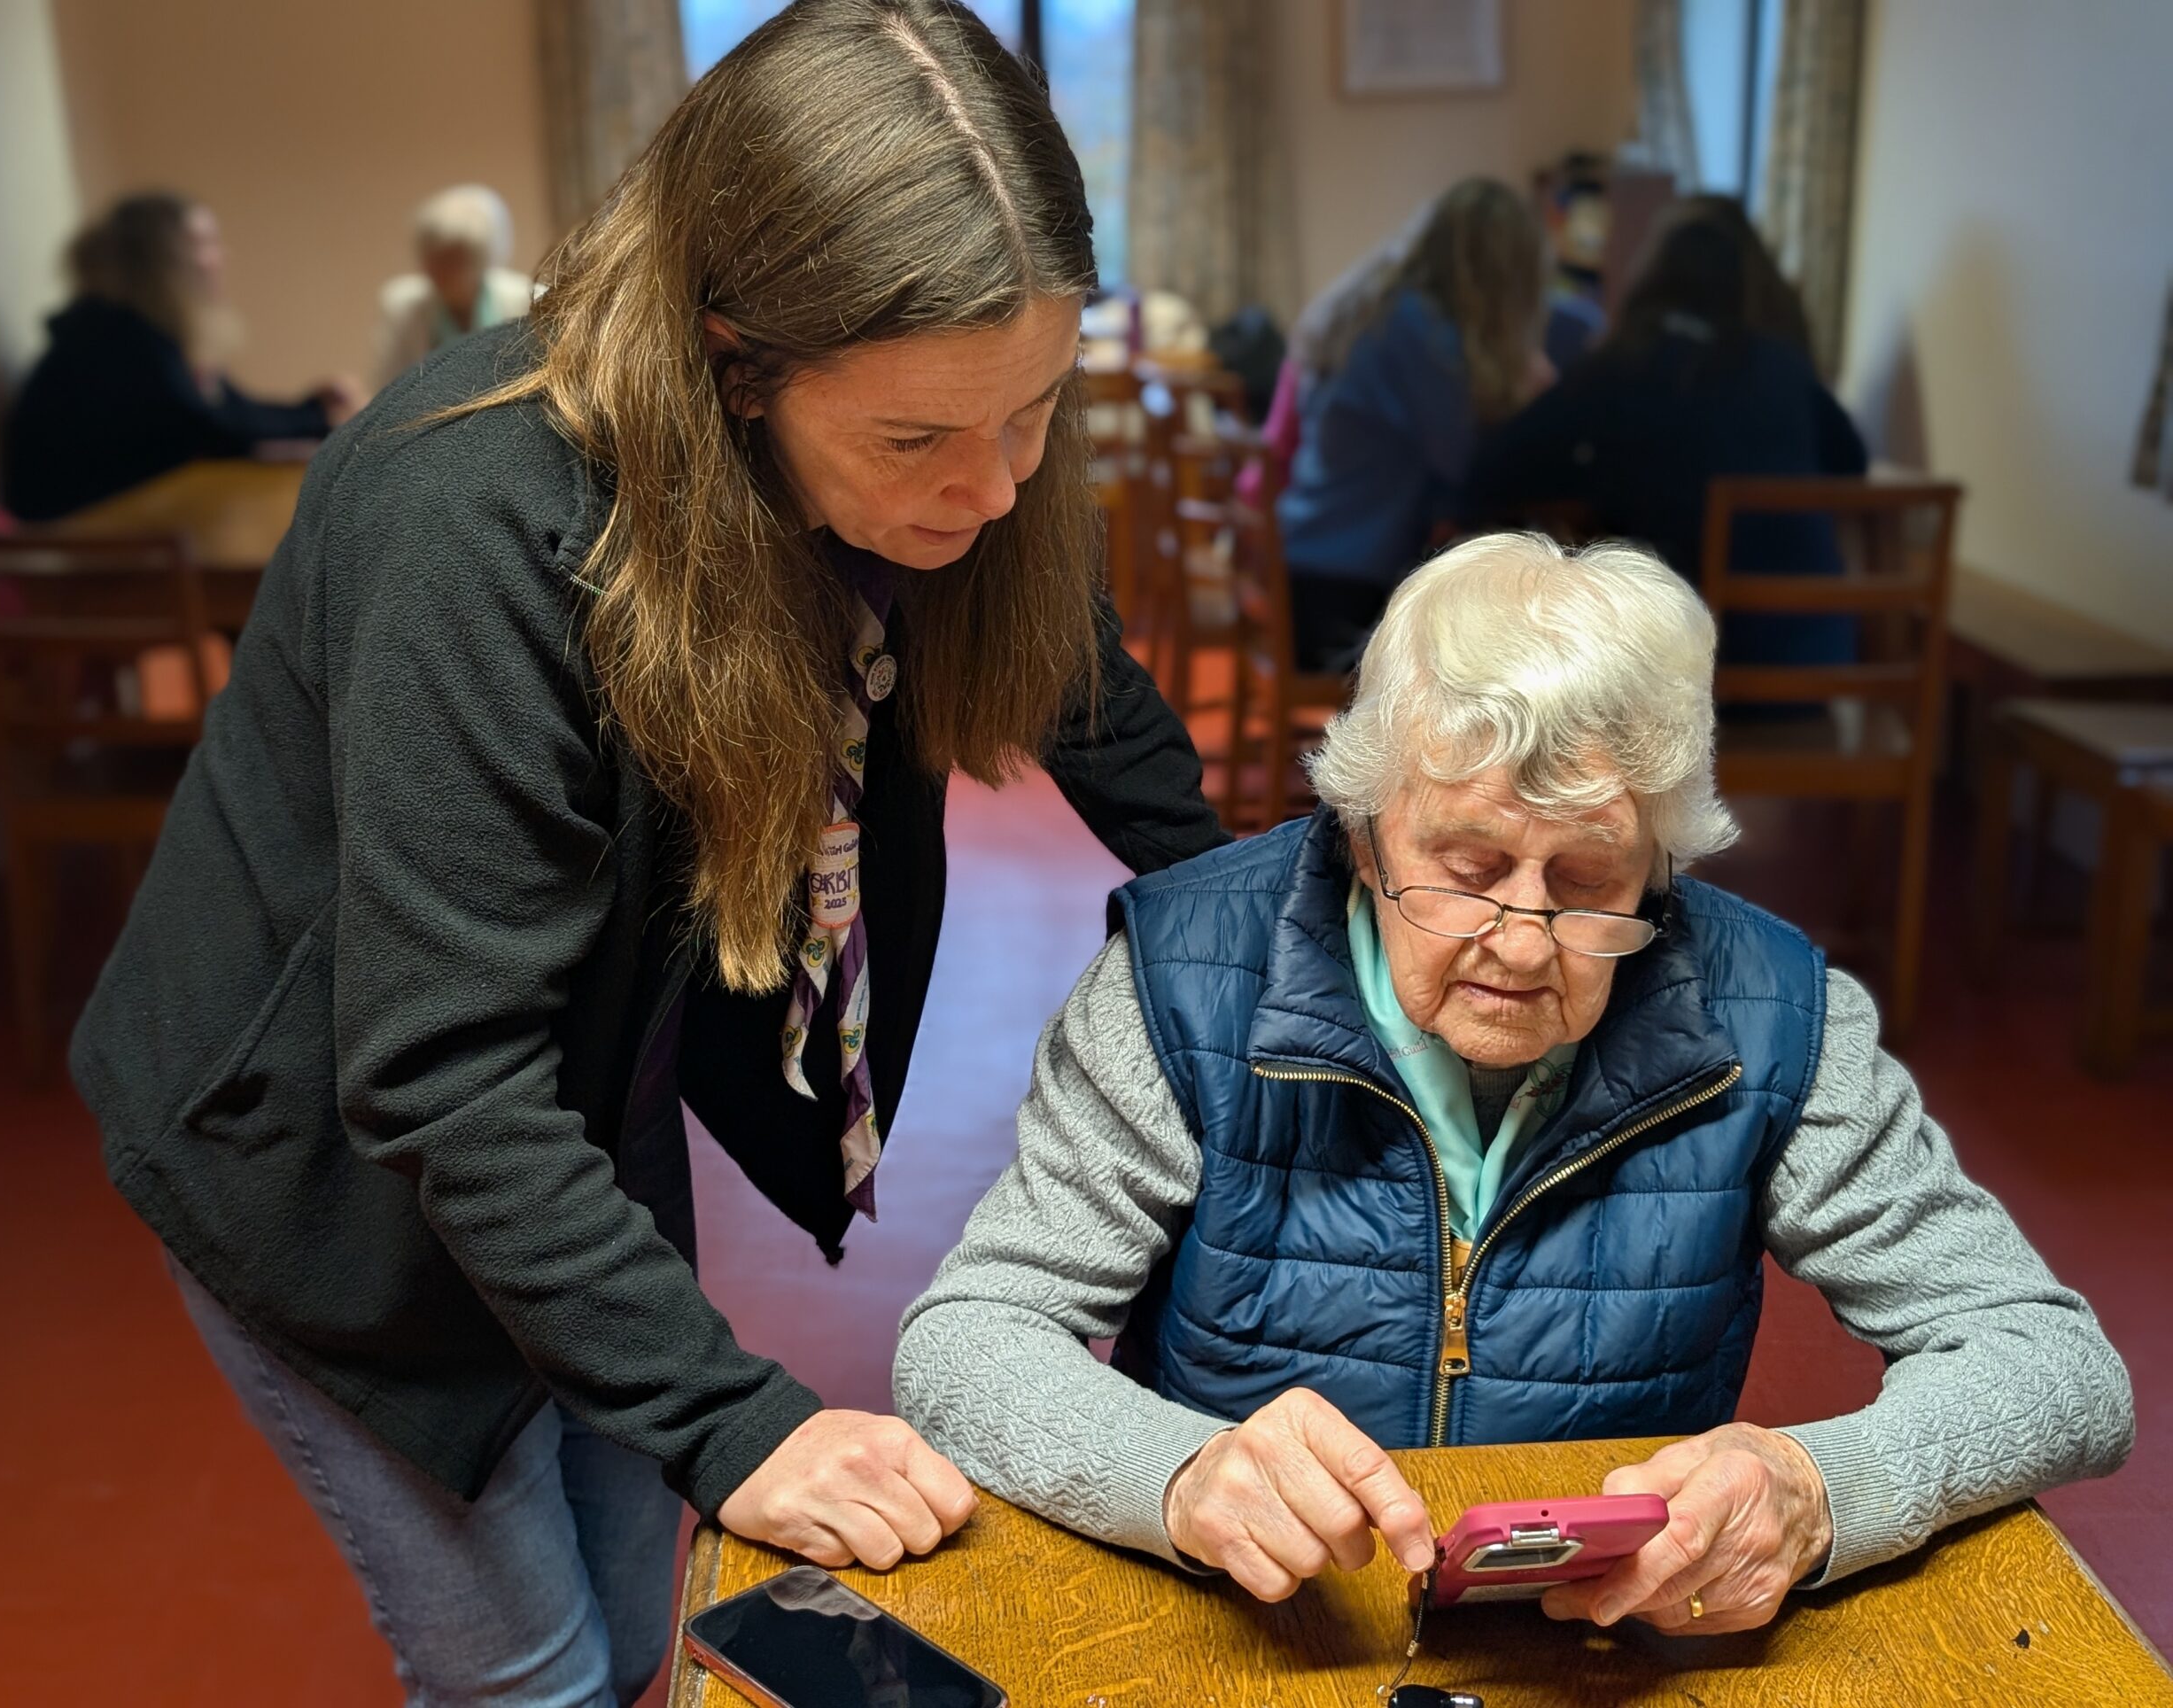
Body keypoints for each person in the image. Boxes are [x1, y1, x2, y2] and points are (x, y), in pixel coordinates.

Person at [69, 4, 1224, 1703]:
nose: (992, 489)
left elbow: (1082, 688)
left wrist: (1264, 927)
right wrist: (735, 1417)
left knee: (639, 1620)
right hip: (314, 1141)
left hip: (565, 1094)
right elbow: (443, 1078)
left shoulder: (956, 426)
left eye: (1037, 411)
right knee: (530, 1665)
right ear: (732, 358)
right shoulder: (472, 517)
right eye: (917, 442)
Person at [896, 532, 2132, 1630]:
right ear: (1365, 831)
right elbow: (970, 1342)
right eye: (1468, 865)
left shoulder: (1774, 1013)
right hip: (1247, 1632)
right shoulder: (1186, 979)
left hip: (1603, 1651)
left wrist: (1818, 1495)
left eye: (1589, 878)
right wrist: (1175, 1473)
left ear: (1660, 860)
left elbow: (2054, 1368)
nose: (1525, 938)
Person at [1463, 196, 1868, 668]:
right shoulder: (1782, 367)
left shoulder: (1621, 367)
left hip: (1692, 685)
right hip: (1816, 663)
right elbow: (1851, 464)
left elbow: (1491, 472)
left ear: (1649, 281)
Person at [1273, 178, 1548, 672]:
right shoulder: (1417, 330)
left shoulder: (1370, 307)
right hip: (1346, 595)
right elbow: (1464, 464)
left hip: (1303, 566)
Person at [3, 194, 363, 521]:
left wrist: (312, 408)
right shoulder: (117, 336)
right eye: (203, 244)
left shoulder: (141, 330)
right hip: (80, 545)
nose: (221, 256)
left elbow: (230, 410)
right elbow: (208, 426)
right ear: (159, 261)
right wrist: (318, 419)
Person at [372, 184, 539, 387]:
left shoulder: (529, 301)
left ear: (481, 259)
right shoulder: (401, 306)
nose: (435, 269)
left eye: (451, 260)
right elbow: (387, 390)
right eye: (431, 256)